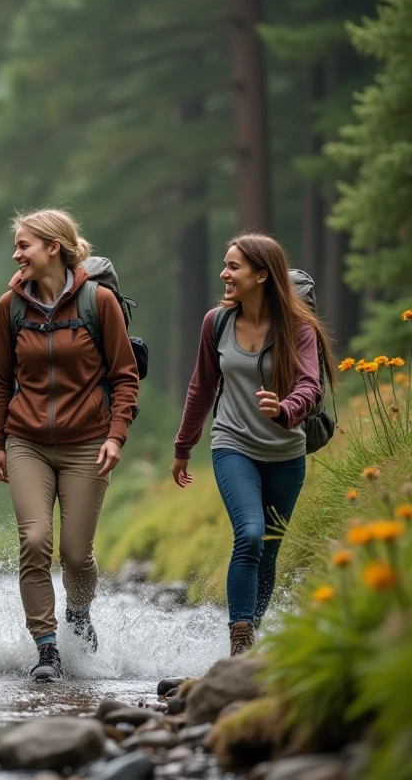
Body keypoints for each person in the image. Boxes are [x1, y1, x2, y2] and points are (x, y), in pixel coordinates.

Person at [0, 209, 139, 681]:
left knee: (76, 553)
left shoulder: (99, 302)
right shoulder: (8, 308)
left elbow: (125, 377)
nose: (16, 254)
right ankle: (47, 648)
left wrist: (116, 436)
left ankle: (78, 613)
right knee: (34, 541)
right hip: (26, 442)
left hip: (87, 443)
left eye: (24, 245)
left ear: (54, 247)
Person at [172, 234, 331, 656]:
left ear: (262, 275)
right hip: (233, 444)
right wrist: (183, 446)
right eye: (224, 264)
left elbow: (310, 386)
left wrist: (284, 409)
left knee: (270, 551)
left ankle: (252, 637)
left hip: (285, 453)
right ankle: (239, 639)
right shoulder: (217, 322)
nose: (224, 274)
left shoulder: (299, 328)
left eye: (234, 267)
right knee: (251, 534)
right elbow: (201, 388)